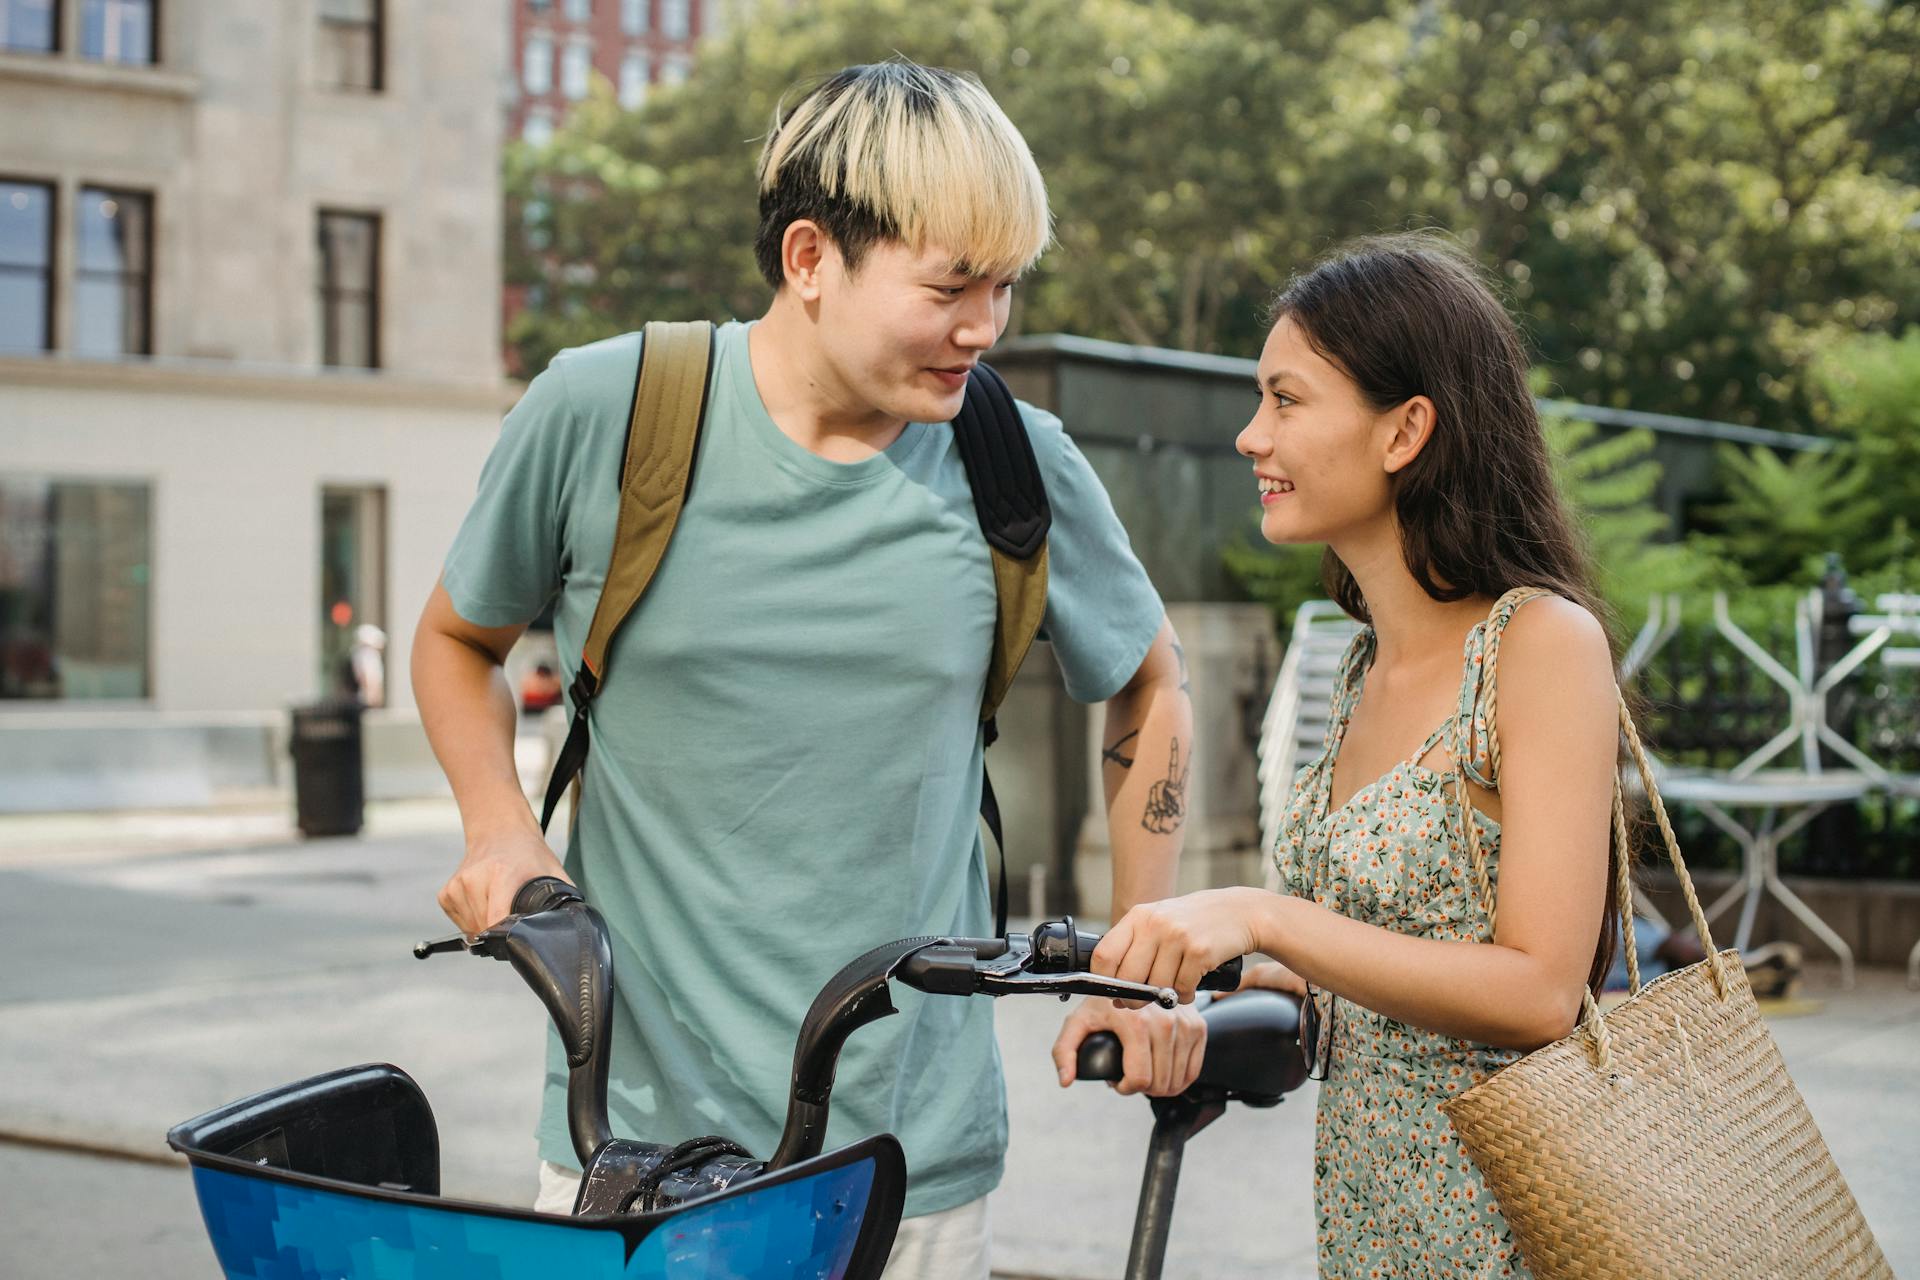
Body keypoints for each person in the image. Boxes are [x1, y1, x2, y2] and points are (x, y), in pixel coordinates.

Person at [413, 60, 1202, 1279]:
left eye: (1003, 285)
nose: (985, 327)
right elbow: (456, 637)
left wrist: (1136, 954)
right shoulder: (606, 413)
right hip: (626, 1147)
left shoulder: (1012, 459)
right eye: (949, 285)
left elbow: (1152, 681)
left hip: (910, 1167)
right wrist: (497, 830)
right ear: (808, 260)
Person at [1067, 235, 1625, 1278]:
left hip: (1511, 1231)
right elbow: (1373, 968)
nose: (1249, 436)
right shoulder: (1367, 663)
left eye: (1285, 400)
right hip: (1371, 1233)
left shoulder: (1541, 644)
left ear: (1406, 427)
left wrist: (1266, 912)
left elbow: (1540, 989)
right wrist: (1201, 998)